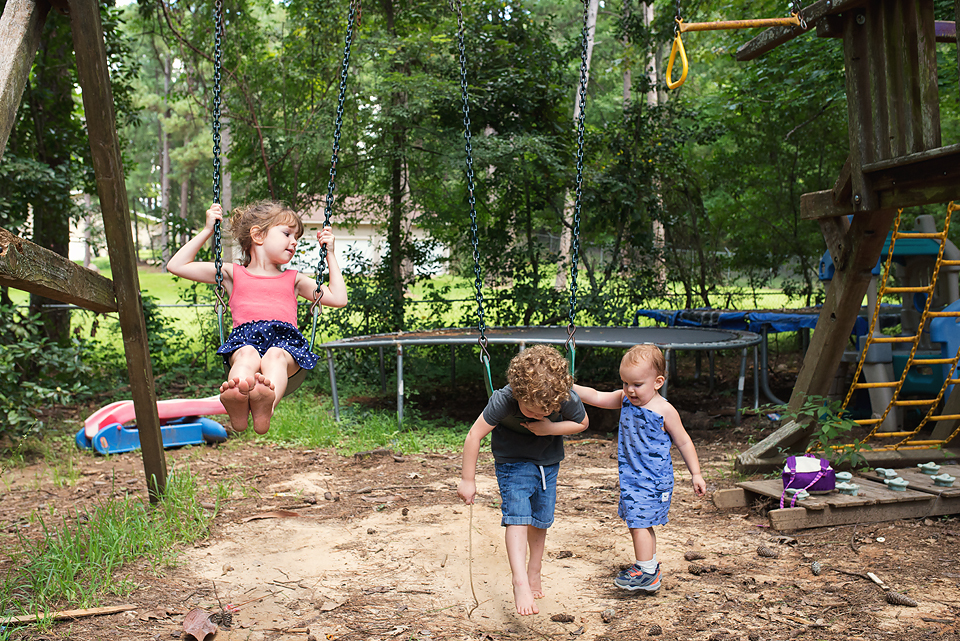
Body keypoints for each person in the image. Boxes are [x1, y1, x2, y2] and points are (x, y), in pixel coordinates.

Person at [167, 201, 347, 434]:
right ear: (258, 235)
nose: (294, 242)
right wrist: (207, 231)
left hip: (285, 346)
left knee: (274, 356)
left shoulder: (295, 279)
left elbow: (338, 298)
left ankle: (266, 405)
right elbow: (176, 265)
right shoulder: (232, 274)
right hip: (245, 341)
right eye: (287, 233)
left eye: (297, 237)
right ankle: (238, 398)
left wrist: (330, 254)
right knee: (246, 355)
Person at [457, 345, 589, 616]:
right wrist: (467, 480)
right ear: (518, 394)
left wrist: (550, 428)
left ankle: (534, 571)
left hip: (548, 463)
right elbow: (474, 435)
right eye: (531, 410)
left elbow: (582, 423)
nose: (539, 415)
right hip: (512, 463)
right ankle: (519, 580)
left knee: (541, 519)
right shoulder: (503, 399)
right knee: (517, 517)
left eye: (547, 411)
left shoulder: (563, 397)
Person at [573, 343, 705, 593]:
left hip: (653, 480)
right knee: (642, 522)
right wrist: (570, 387)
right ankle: (649, 568)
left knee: (638, 523)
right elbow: (597, 396)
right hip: (633, 479)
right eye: (625, 383)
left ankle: (645, 572)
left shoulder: (664, 410)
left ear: (657, 382)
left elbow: (684, 441)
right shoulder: (625, 400)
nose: (629, 390)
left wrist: (695, 473)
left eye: (637, 384)